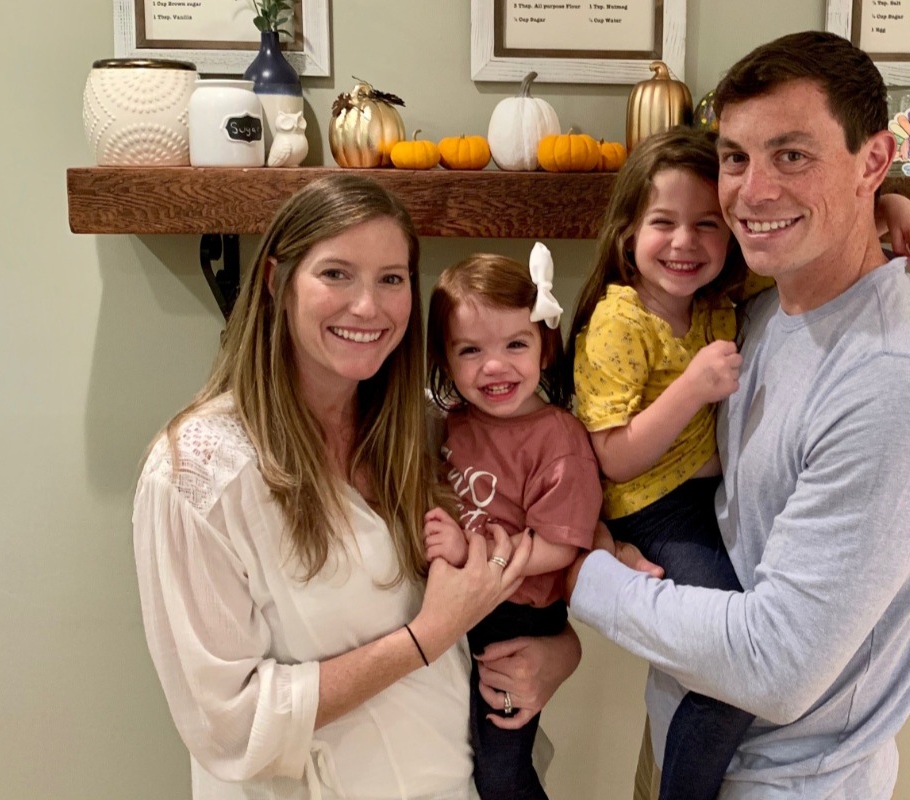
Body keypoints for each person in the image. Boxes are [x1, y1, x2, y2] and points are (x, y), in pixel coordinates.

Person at [566, 31, 910, 800]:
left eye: (792, 155)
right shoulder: (755, 307)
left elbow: (775, 667)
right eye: (735, 157)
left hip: (788, 782)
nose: (752, 192)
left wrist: (580, 573)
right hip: (680, 741)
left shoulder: (898, 380)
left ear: (872, 161)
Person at [133, 174, 580, 800]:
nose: (368, 307)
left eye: (391, 279)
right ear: (276, 281)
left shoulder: (428, 432)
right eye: (336, 274)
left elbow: (537, 549)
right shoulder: (198, 475)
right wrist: (425, 638)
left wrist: (561, 653)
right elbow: (229, 721)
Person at [425, 248, 604, 800]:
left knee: (500, 772)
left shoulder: (558, 436)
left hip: (517, 622)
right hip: (459, 614)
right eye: (470, 350)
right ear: (445, 360)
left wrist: (470, 551)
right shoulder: (451, 424)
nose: (494, 366)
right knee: (455, 752)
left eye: (515, 345)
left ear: (545, 347)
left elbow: (558, 546)